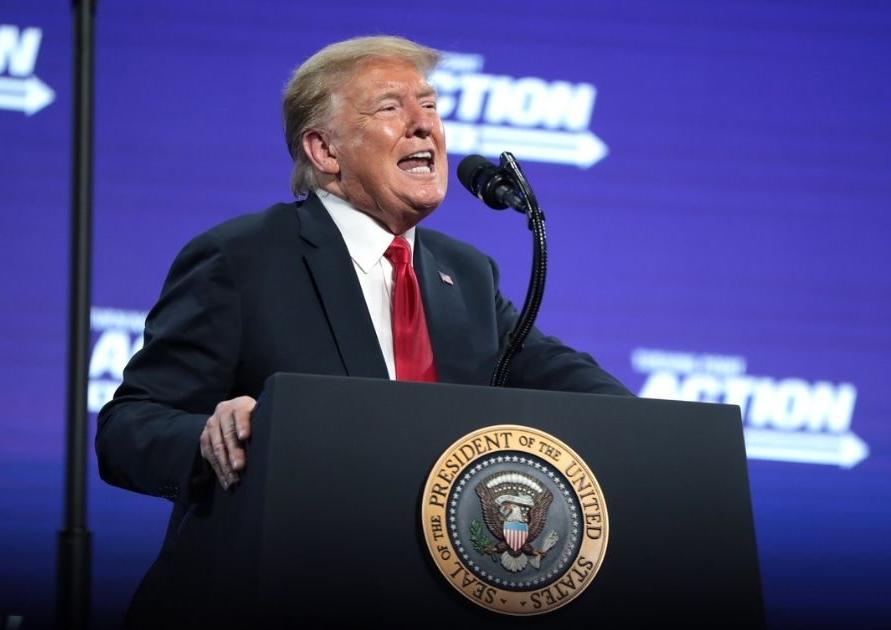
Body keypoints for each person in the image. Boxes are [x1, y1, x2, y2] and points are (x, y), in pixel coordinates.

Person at [94, 34, 629, 624]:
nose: (423, 126)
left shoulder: (466, 274)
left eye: (429, 106)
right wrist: (205, 437)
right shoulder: (241, 258)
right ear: (324, 150)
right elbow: (128, 427)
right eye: (390, 108)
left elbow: (574, 385)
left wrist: (656, 435)